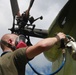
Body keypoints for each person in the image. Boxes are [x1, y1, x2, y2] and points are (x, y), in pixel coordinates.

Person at [0, 32, 66, 75]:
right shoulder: (15, 56)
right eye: (20, 39)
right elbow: (42, 46)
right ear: (10, 41)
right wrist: (57, 38)